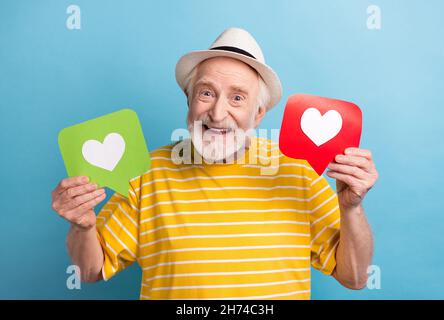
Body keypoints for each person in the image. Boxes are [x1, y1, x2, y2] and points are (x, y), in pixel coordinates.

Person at [51, 28, 378, 300]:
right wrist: (82, 226)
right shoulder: (145, 173)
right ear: (189, 101)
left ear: (258, 114)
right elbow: (91, 270)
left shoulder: (299, 172)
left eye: (237, 98)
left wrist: (351, 209)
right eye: (206, 93)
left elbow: (354, 278)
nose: (218, 113)